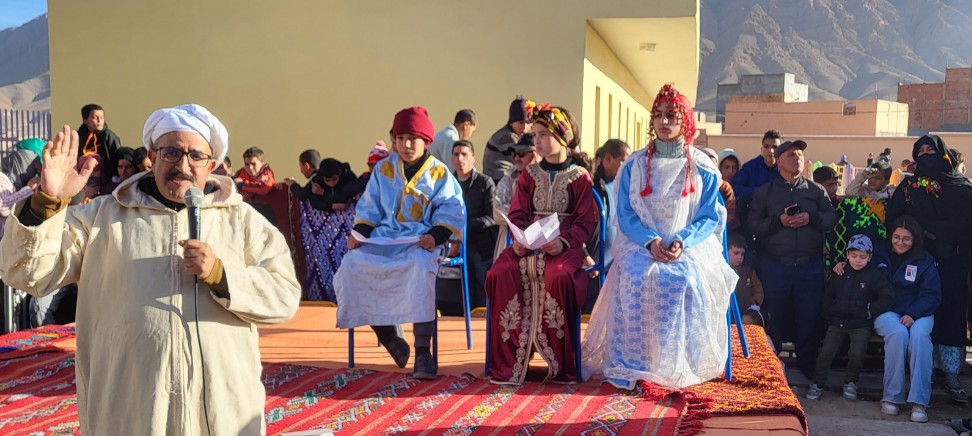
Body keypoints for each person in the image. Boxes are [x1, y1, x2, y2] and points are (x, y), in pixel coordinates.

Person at [0, 104, 301, 434]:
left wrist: (221, 274)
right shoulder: (101, 218)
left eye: (196, 156)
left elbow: (283, 295)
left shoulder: (241, 221)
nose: (182, 165)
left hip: (221, 415)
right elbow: (26, 273)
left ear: (212, 165)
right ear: (152, 156)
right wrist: (47, 201)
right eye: (171, 152)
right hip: (128, 411)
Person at [581, 84, 736, 390]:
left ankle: (677, 363)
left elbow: (708, 216)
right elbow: (626, 214)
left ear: (685, 120)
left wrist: (682, 241)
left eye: (672, 115)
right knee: (634, 276)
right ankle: (636, 362)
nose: (664, 122)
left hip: (689, 246)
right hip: (640, 244)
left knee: (683, 279)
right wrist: (651, 241)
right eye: (659, 115)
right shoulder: (634, 165)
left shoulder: (702, 167)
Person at [333, 106, 465, 380]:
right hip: (385, 239)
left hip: (422, 241)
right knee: (352, 265)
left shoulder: (439, 173)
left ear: (426, 141)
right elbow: (369, 207)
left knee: (420, 267)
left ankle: (423, 351)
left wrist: (436, 236)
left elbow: (452, 209)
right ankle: (389, 336)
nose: (406, 145)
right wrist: (359, 234)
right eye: (400, 138)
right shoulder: (383, 169)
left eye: (412, 139)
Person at [484, 104, 596, 385]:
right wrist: (520, 239)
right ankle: (509, 362)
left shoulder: (580, 177)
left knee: (558, 275)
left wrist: (564, 241)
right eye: (535, 134)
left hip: (564, 248)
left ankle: (559, 363)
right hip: (529, 246)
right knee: (499, 272)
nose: (537, 140)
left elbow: (585, 222)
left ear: (563, 137)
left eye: (544, 134)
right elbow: (517, 214)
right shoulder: (529, 174)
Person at [887, 134, 972, 405]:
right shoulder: (909, 187)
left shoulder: (962, 187)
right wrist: (917, 232)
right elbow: (894, 218)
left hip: (953, 262)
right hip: (917, 262)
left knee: (951, 314)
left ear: (943, 154)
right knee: (921, 313)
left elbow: (968, 221)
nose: (925, 154)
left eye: (930, 150)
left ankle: (951, 374)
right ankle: (926, 371)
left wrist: (937, 231)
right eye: (920, 150)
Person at [748, 139, 837, 377]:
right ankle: (771, 368)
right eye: (791, 155)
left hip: (809, 267)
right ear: (778, 161)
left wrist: (811, 218)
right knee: (774, 317)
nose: (797, 158)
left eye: (799, 154)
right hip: (775, 266)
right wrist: (779, 221)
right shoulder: (765, 192)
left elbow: (831, 218)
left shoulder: (816, 191)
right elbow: (753, 225)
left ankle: (808, 367)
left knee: (809, 317)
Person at [843, 216, 938, 422]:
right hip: (887, 310)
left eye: (906, 238)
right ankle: (892, 397)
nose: (900, 242)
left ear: (915, 239)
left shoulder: (925, 260)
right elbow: (858, 265)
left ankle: (919, 402)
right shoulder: (878, 254)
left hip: (918, 312)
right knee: (898, 334)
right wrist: (841, 265)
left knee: (920, 338)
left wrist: (913, 314)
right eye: (897, 237)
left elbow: (931, 295)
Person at [806, 234, 893, 401]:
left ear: (870, 257)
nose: (858, 260)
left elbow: (887, 297)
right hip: (837, 322)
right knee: (825, 353)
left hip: (860, 324)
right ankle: (817, 384)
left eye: (862, 257)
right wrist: (829, 312)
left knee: (857, 354)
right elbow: (828, 294)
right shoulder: (839, 272)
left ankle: (851, 382)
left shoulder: (874, 276)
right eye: (854, 256)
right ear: (847, 254)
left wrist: (869, 311)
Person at [447, 139, 496, 310]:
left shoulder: (485, 182)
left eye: (464, 154)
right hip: (455, 246)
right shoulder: (447, 184)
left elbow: (492, 217)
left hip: (482, 247)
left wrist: (464, 228)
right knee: (458, 293)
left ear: (473, 158)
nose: (460, 158)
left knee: (483, 292)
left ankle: (482, 325)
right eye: (456, 154)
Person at [492, 133, 538, 260]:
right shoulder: (508, 179)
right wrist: (526, 217)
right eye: (515, 153)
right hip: (510, 244)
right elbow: (497, 211)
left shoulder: (549, 179)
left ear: (537, 154)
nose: (517, 158)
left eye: (521, 153)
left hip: (540, 246)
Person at [730, 129, 782, 226]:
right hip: (750, 218)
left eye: (775, 147)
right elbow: (734, 186)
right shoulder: (750, 167)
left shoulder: (784, 169)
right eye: (766, 146)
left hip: (777, 219)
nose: (770, 151)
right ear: (761, 149)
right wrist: (757, 192)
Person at [483, 97, 532, 182]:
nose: (524, 127)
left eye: (528, 123)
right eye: (521, 122)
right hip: (498, 181)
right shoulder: (508, 137)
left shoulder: (511, 134)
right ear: (512, 122)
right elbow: (525, 162)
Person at [727, 232, 766, 327]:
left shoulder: (748, 271)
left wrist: (755, 303)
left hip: (745, 312)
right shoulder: (719, 270)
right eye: (736, 253)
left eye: (742, 254)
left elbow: (757, 288)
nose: (740, 257)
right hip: (727, 312)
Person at [76, 104, 123, 179]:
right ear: (85, 120)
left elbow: (118, 158)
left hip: (107, 178)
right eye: (95, 117)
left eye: (102, 117)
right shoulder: (77, 137)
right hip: (83, 178)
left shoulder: (109, 136)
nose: (99, 121)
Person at [702, 147, 738, 229]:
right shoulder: (691, 186)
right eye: (726, 167)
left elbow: (730, 216)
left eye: (713, 166)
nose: (730, 171)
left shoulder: (724, 187)